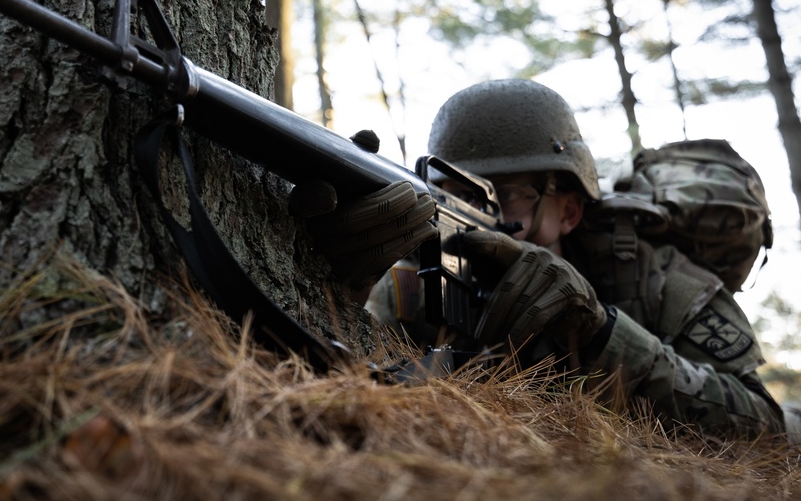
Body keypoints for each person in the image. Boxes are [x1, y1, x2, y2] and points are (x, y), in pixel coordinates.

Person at [299, 78, 794, 440]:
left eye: (508, 194)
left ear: (570, 210)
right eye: (459, 194)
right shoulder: (414, 285)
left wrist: (601, 333)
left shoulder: (655, 279)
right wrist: (342, 295)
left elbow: (767, 431)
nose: (479, 216)